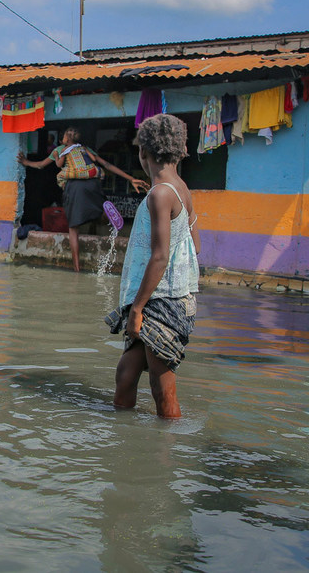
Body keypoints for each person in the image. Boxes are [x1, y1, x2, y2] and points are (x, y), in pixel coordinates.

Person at [110, 113, 200, 418]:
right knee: (126, 373)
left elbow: (160, 255)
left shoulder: (161, 194)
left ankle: (166, 451)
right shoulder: (182, 189)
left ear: (143, 152)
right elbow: (194, 246)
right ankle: (124, 434)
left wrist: (137, 309)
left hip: (160, 301)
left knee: (161, 387)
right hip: (163, 297)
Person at [18, 126, 148, 271]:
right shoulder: (85, 149)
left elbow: (41, 165)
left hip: (75, 187)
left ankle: (77, 269)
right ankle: (105, 212)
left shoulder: (60, 150)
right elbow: (106, 164)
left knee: (73, 228)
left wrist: (26, 162)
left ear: (62, 140)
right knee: (96, 209)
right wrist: (130, 179)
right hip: (93, 184)